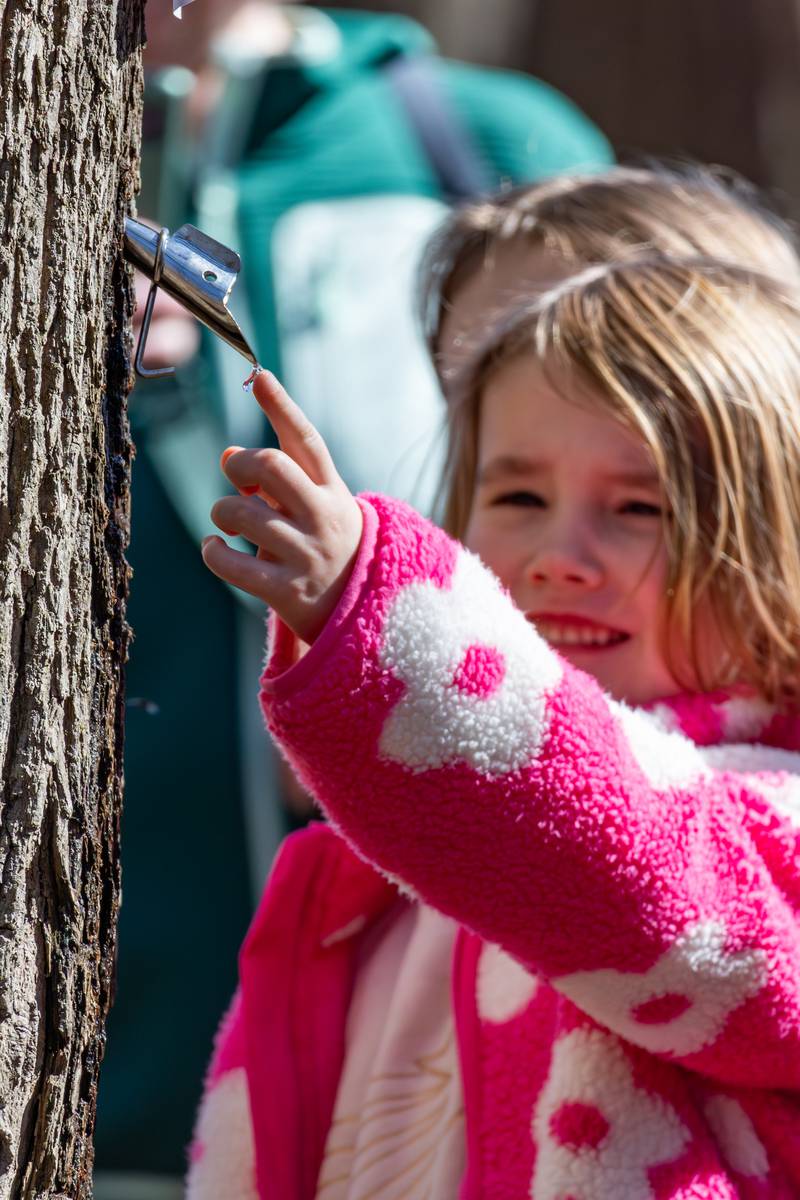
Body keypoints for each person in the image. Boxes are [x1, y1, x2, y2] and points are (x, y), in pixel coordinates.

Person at [95, 3, 613, 1193]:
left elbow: (646, 552)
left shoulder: (472, 146)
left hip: (431, 1105)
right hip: (95, 1095)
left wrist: (388, 694)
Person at [187, 189, 800, 1191]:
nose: (559, 555)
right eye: (517, 494)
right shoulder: (398, 869)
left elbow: (616, 850)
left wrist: (384, 617)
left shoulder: (768, 827)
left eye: (639, 507)